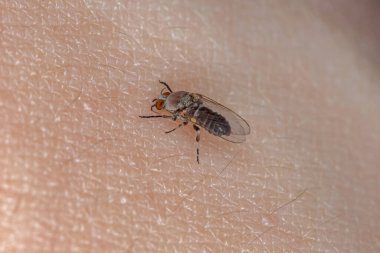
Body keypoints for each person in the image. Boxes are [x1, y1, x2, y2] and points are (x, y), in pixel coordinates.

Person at [1, 1, 379, 252]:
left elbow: (186, 113)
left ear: (174, 103)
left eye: (167, 104)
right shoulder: (184, 101)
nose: (168, 106)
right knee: (196, 121)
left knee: (196, 125)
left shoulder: (184, 111)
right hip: (214, 118)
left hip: (215, 123)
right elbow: (189, 106)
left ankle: (200, 144)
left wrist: (177, 122)